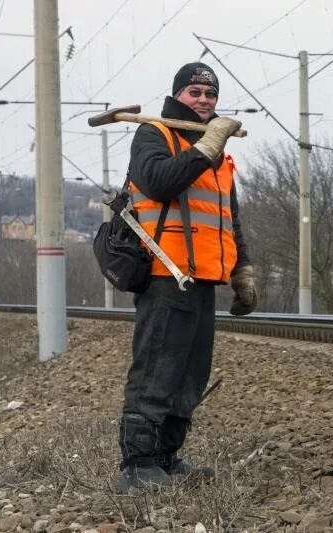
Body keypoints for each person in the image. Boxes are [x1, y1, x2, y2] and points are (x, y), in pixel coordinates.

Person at [115, 62, 257, 493]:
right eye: (194, 92)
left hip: (203, 279)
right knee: (158, 367)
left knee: (190, 373)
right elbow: (158, 182)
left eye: (210, 94)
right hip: (165, 271)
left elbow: (226, 218)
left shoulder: (219, 157)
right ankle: (137, 465)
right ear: (178, 95)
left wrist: (242, 270)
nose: (204, 100)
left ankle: (166, 456)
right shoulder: (154, 134)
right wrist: (208, 144)